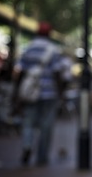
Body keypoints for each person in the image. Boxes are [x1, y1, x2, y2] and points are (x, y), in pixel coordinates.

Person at [13, 21, 67, 166]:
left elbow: (20, 72)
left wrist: (17, 93)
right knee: (46, 126)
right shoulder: (53, 49)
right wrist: (60, 93)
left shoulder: (28, 48)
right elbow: (57, 73)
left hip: (30, 93)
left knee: (28, 123)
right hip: (49, 94)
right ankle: (42, 156)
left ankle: (27, 145)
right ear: (49, 34)